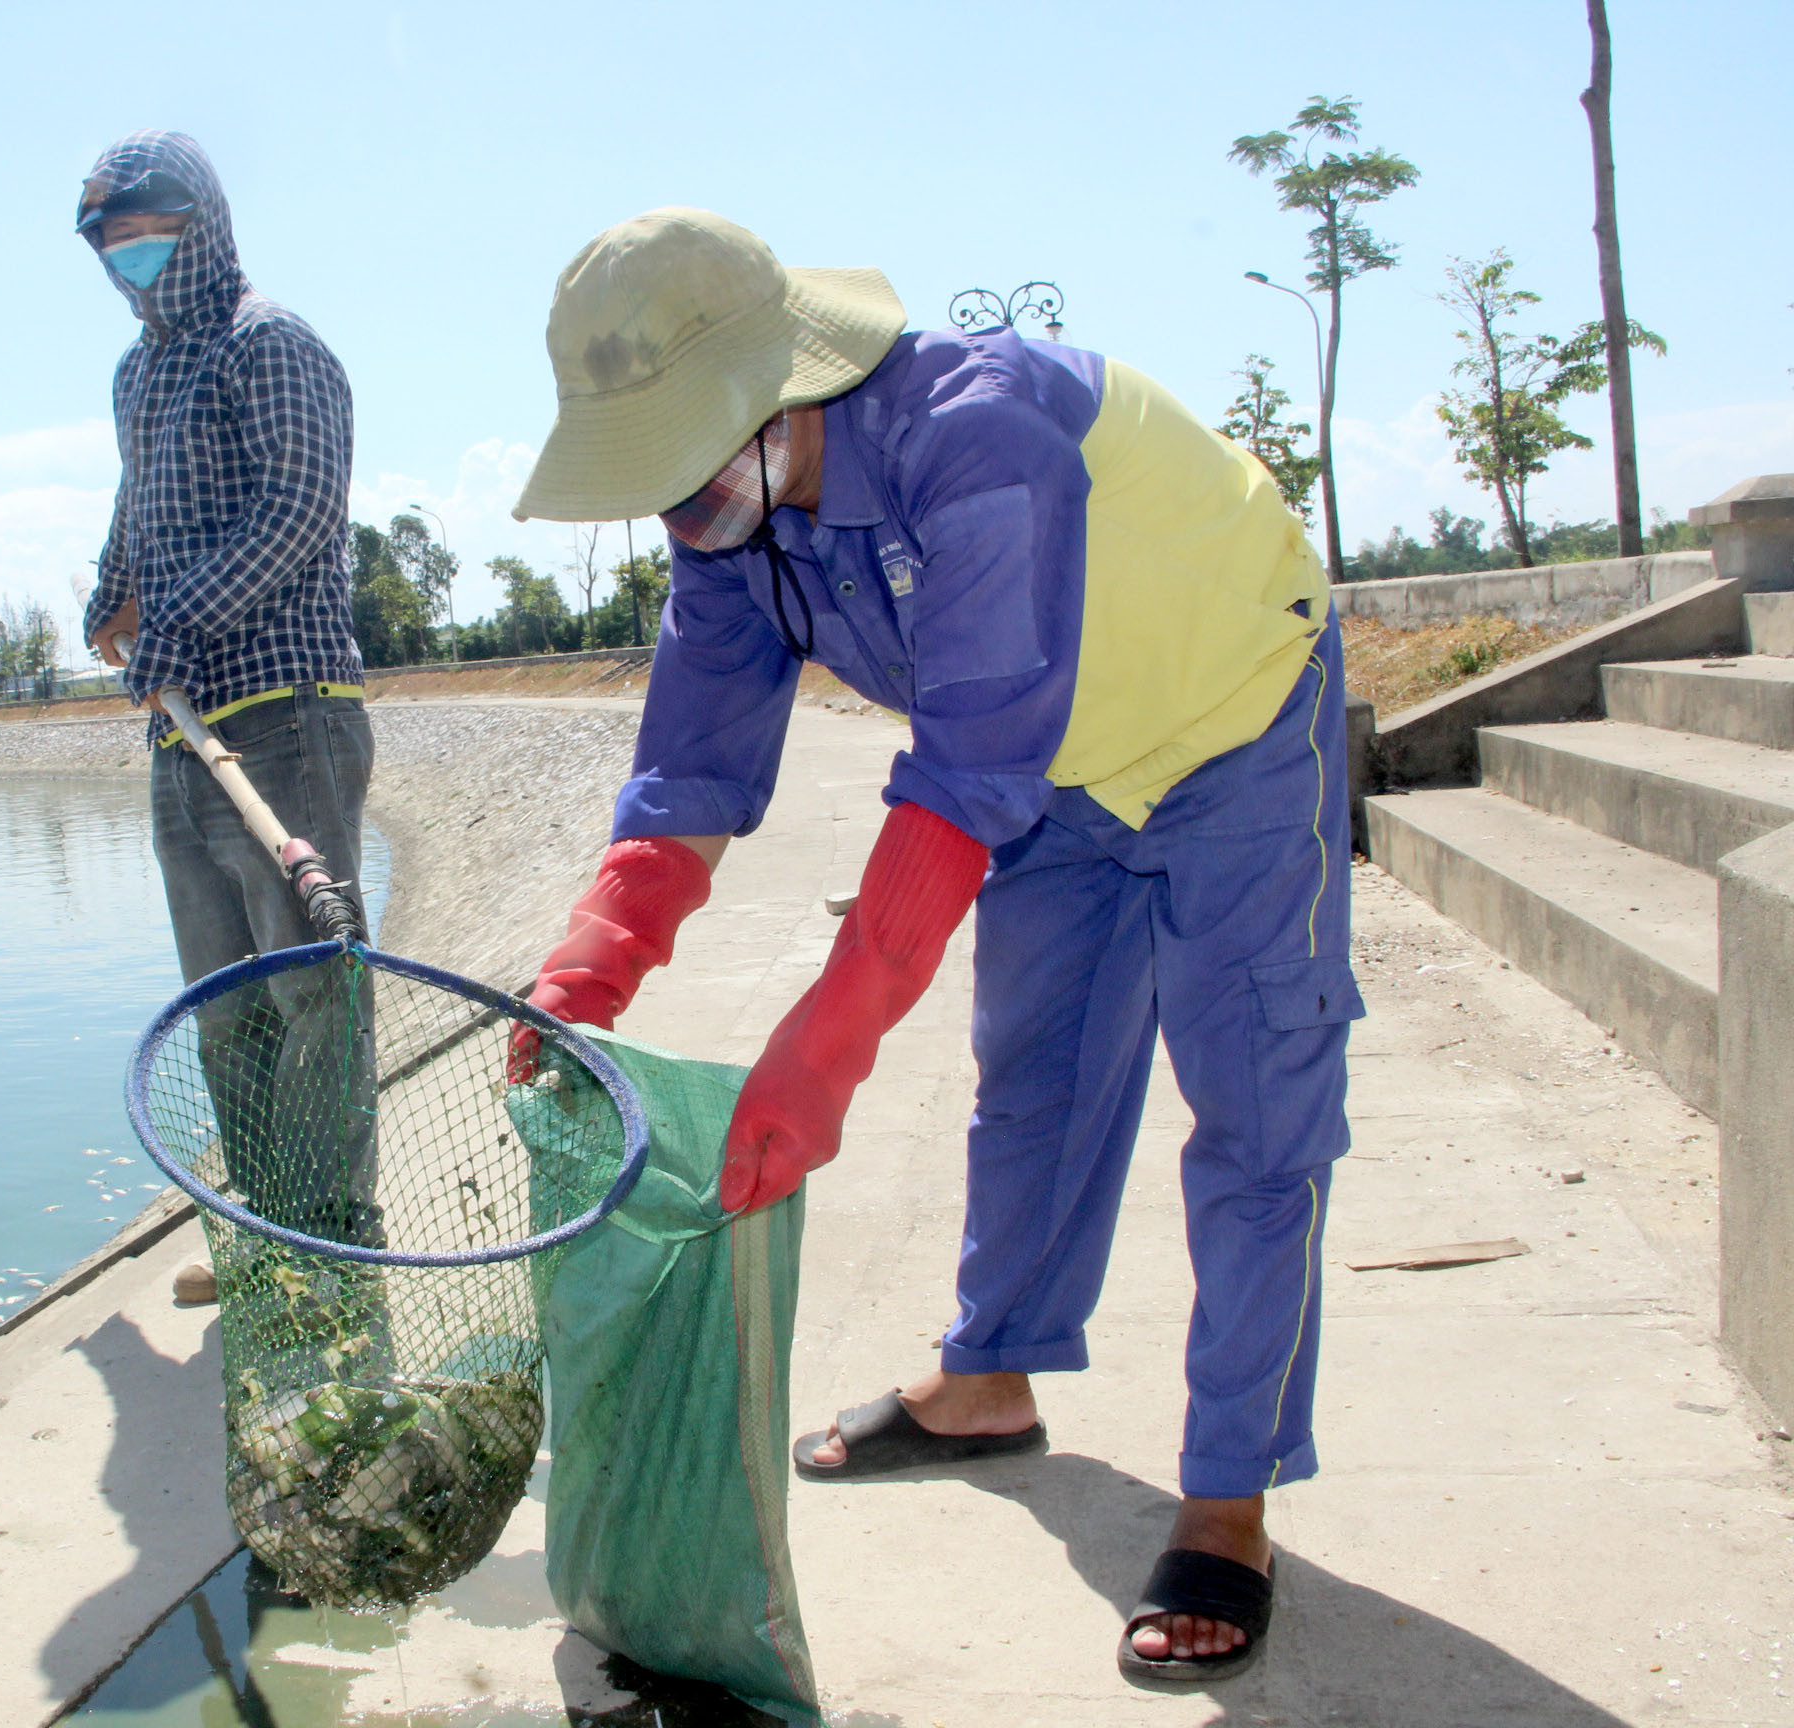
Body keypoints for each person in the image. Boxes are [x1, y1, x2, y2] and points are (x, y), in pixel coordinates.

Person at [512, 208, 1357, 1683]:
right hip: (1054, 769)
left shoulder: (982, 432)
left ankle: (1229, 1494)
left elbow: (960, 778)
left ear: (780, 400)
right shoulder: (734, 528)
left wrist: (821, 1052)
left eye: (682, 465)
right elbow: (693, 769)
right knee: (1030, 1074)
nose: (674, 513)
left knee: (1254, 1107)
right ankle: (990, 1375)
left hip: (1230, 713)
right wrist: (598, 952)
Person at [75, 130, 378, 1267]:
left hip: (285, 713)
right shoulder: (138, 372)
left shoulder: (272, 345)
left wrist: (179, 623)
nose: (127, 253)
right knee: (225, 1008)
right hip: (181, 735)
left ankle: (339, 1240)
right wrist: (114, 595)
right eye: (107, 238)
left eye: (146, 227)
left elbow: (300, 512)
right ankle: (262, 1236)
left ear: (200, 219)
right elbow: (136, 508)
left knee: (314, 1001)